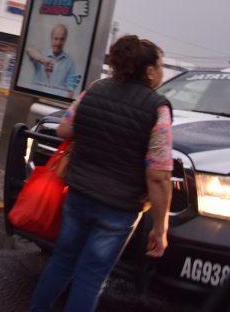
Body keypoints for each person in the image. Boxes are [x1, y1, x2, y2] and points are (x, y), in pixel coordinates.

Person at [29, 35, 173, 312]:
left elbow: (64, 130)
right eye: (161, 66)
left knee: (62, 262)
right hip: (118, 208)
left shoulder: (95, 90)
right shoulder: (157, 108)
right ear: (150, 71)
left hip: (79, 194)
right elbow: (159, 175)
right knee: (91, 276)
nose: (162, 72)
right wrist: (160, 227)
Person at [26, 23, 80, 95]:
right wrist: (44, 61)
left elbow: (70, 90)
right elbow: (29, 50)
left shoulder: (70, 62)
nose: (58, 43)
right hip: (35, 98)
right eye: (56, 39)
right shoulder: (41, 54)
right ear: (51, 38)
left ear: (65, 40)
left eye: (61, 39)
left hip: (54, 103)